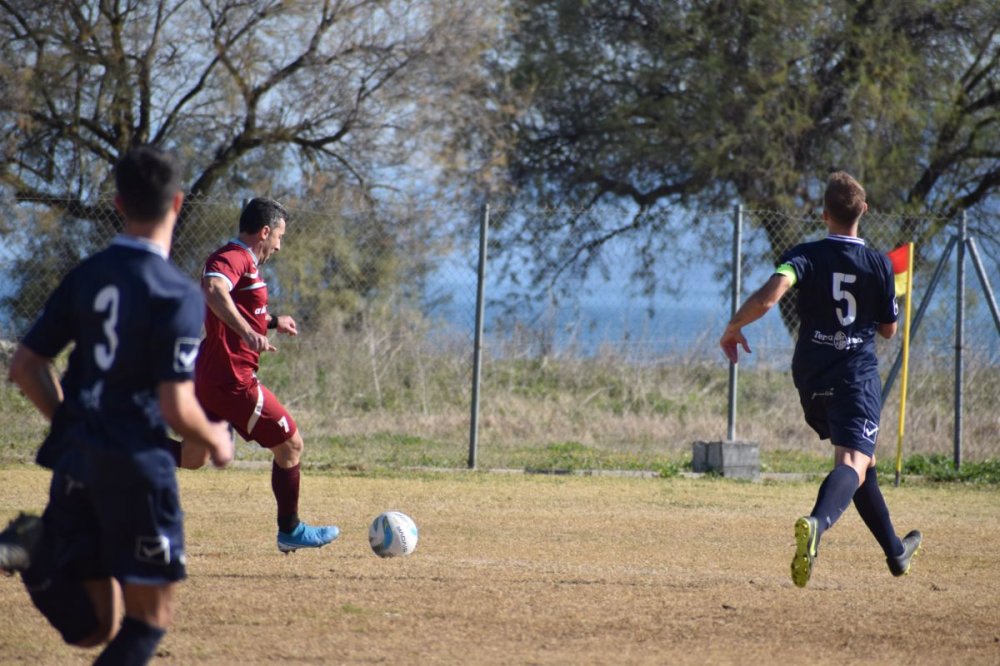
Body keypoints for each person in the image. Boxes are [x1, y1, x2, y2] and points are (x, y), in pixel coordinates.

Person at [0, 145, 234, 662]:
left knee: (94, 626)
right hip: (136, 473)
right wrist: (215, 436)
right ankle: (36, 553)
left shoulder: (89, 274)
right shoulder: (177, 294)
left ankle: (37, 554)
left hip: (77, 465)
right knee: (149, 620)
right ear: (177, 203)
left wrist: (72, 424)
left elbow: (25, 366)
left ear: (118, 202)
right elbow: (175, 407)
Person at [719, 171, 922, 588]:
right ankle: (817, 523)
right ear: (863, 211)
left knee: (864, 464)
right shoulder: (879, 264)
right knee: (852, 461)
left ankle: (895, 553)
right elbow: (888, 330)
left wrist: (734, 326)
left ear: (824, 213)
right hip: (854, 376)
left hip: (811, 376)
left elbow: (770, 296)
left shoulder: (804, 256)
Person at [194, 197, 339, 553]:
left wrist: (272, 322)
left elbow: (238, 305)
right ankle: (290, 529)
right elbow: (214, 290)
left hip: (211, 374)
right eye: (279, 236)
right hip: (233, 379)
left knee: (194, 456)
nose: (279, 244)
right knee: (291, 445)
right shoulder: (236, 256)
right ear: (264, 232)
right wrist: (246, 332)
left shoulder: (247, 265)